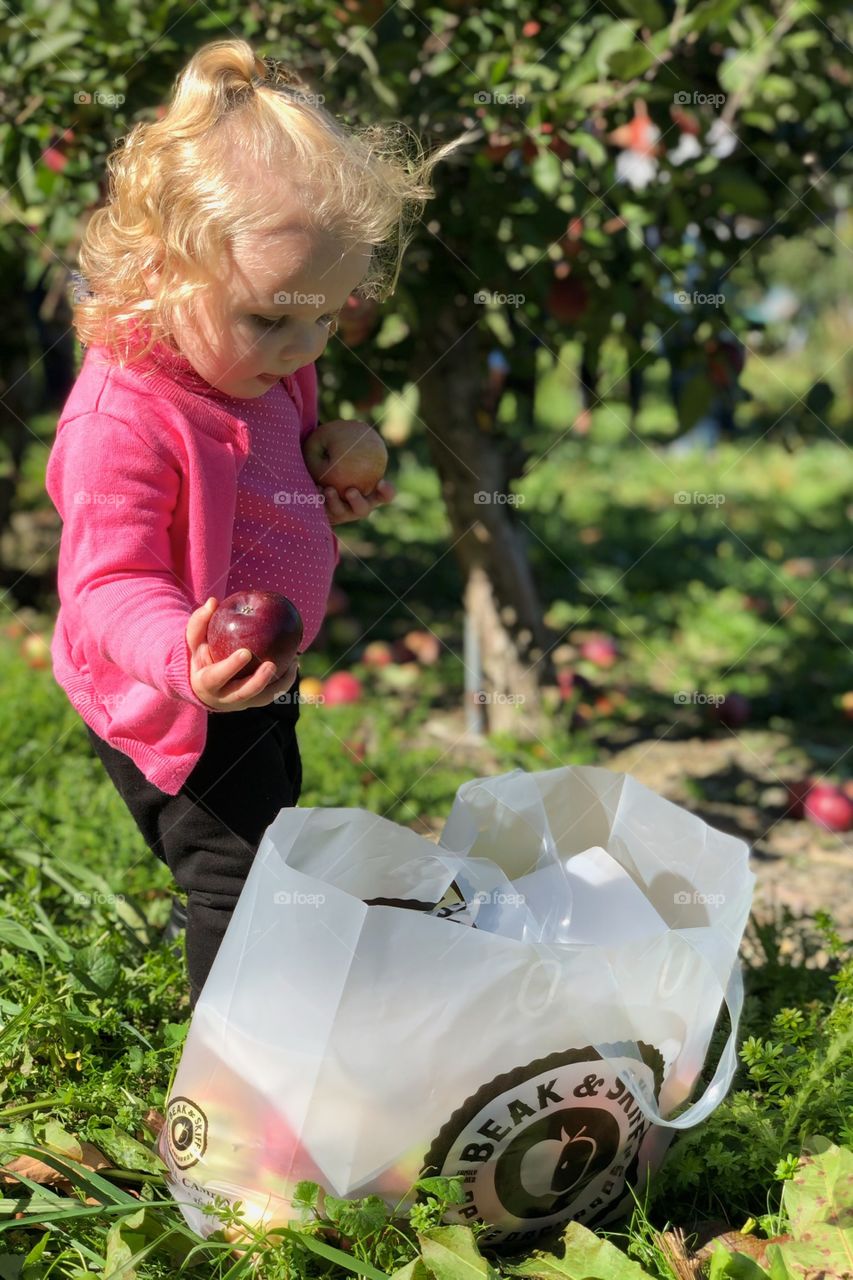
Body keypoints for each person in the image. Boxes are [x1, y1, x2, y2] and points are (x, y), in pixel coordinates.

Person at [45, 39, 467, 1009]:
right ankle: (233, 1080)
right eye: (273, 319)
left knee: (265, 835)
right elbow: (104, 583)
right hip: (177, 693)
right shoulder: (126, 415)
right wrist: (183, 654)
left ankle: (261, 978)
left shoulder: (274, 364)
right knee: (237, 877)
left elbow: (281, 456)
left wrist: (333, 467)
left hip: (256, 672)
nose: (302, 348)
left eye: (324, 318)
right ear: (160, 268)